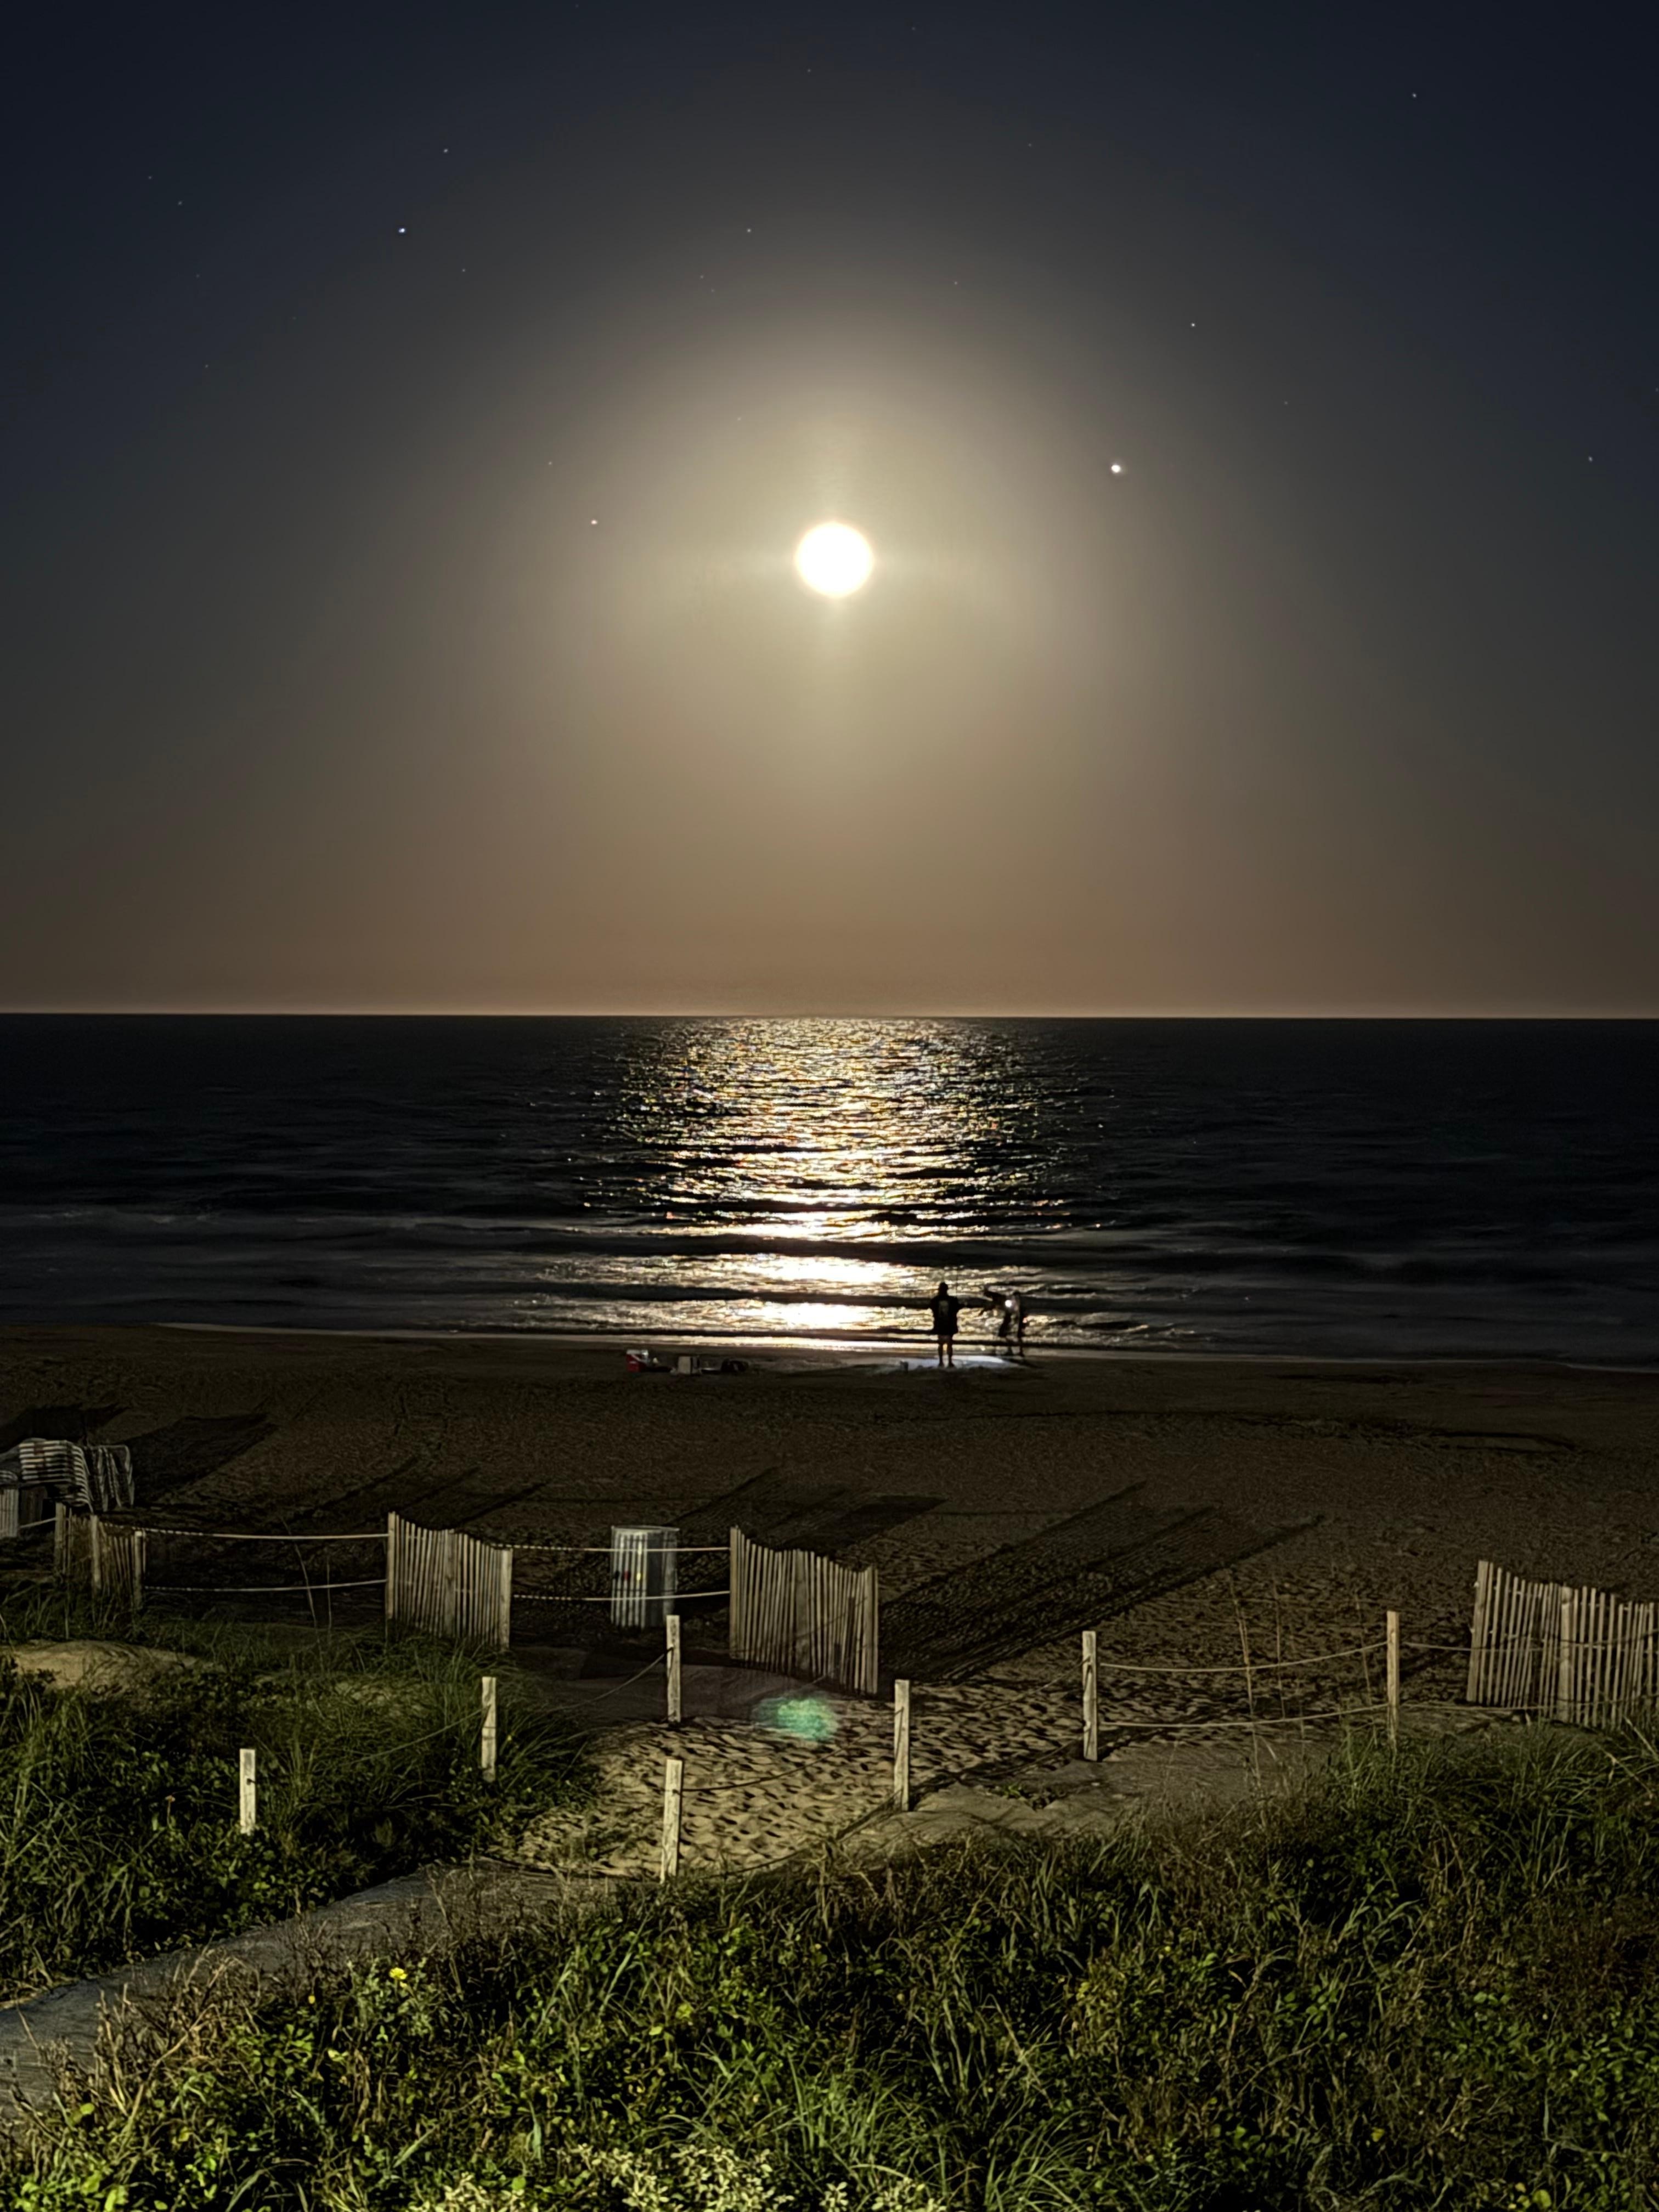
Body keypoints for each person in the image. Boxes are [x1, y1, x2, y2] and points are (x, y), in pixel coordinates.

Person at [929, 1280, 964, 1368]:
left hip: (940, 1324)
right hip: (950, 1324)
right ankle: (949, 1362)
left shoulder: (936, 1300)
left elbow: (932, 1307)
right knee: (949, 1344)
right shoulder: (952, 1300)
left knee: (941, 1343)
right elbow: (957, 1308)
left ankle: (941, 1362)